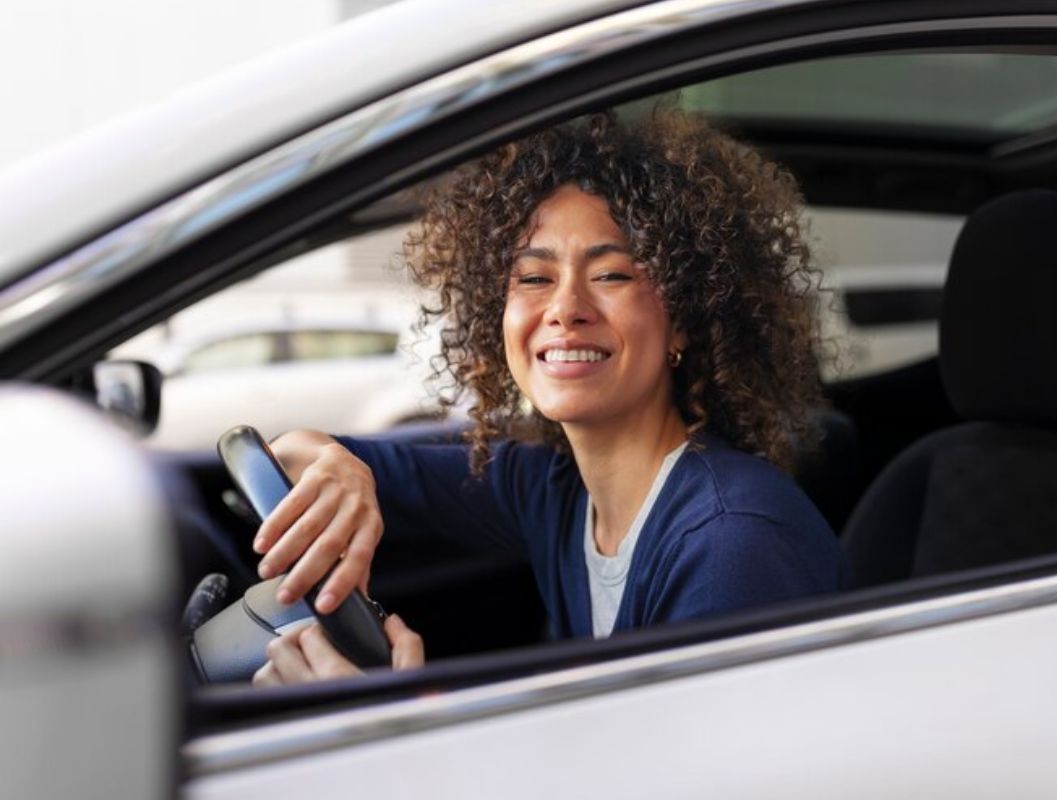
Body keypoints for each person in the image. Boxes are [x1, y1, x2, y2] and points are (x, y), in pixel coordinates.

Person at [251, 109, 853, 686]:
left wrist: (386, 728)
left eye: (612, 274)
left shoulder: (734, 542)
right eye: (534, 278)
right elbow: (292, 459)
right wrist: (337, 466)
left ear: (684, 320)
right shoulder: (554, 487)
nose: (565, 309)